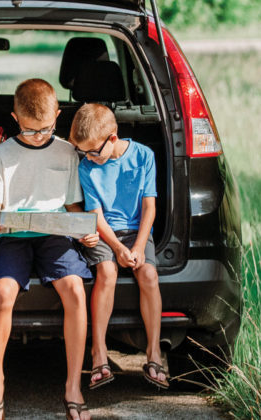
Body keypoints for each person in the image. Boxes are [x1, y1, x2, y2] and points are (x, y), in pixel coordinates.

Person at [0, 79, 97, 420]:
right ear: (16, 118)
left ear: (58, 117)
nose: (38, 137)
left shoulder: (66, 151)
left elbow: (74, 206)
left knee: (75, 289)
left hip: (54, 234)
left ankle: (74, 384)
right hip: (11, 234)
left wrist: (86, 231)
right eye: (31, 131)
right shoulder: (3, 154)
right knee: (3, 292)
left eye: (45, 130)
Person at [68, 103, 169, 390]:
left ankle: (154, 353)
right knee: (107, 272)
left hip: (137, 231)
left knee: (149, 275)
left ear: (113, 137)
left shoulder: (144, 156)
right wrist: (117, 247)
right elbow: (95, 215)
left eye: (93, 151)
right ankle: (98, 351)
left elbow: (149, 207)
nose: (89, 158)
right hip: (103, 231)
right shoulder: (87, 165)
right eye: (83, 152)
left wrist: (137, 247)